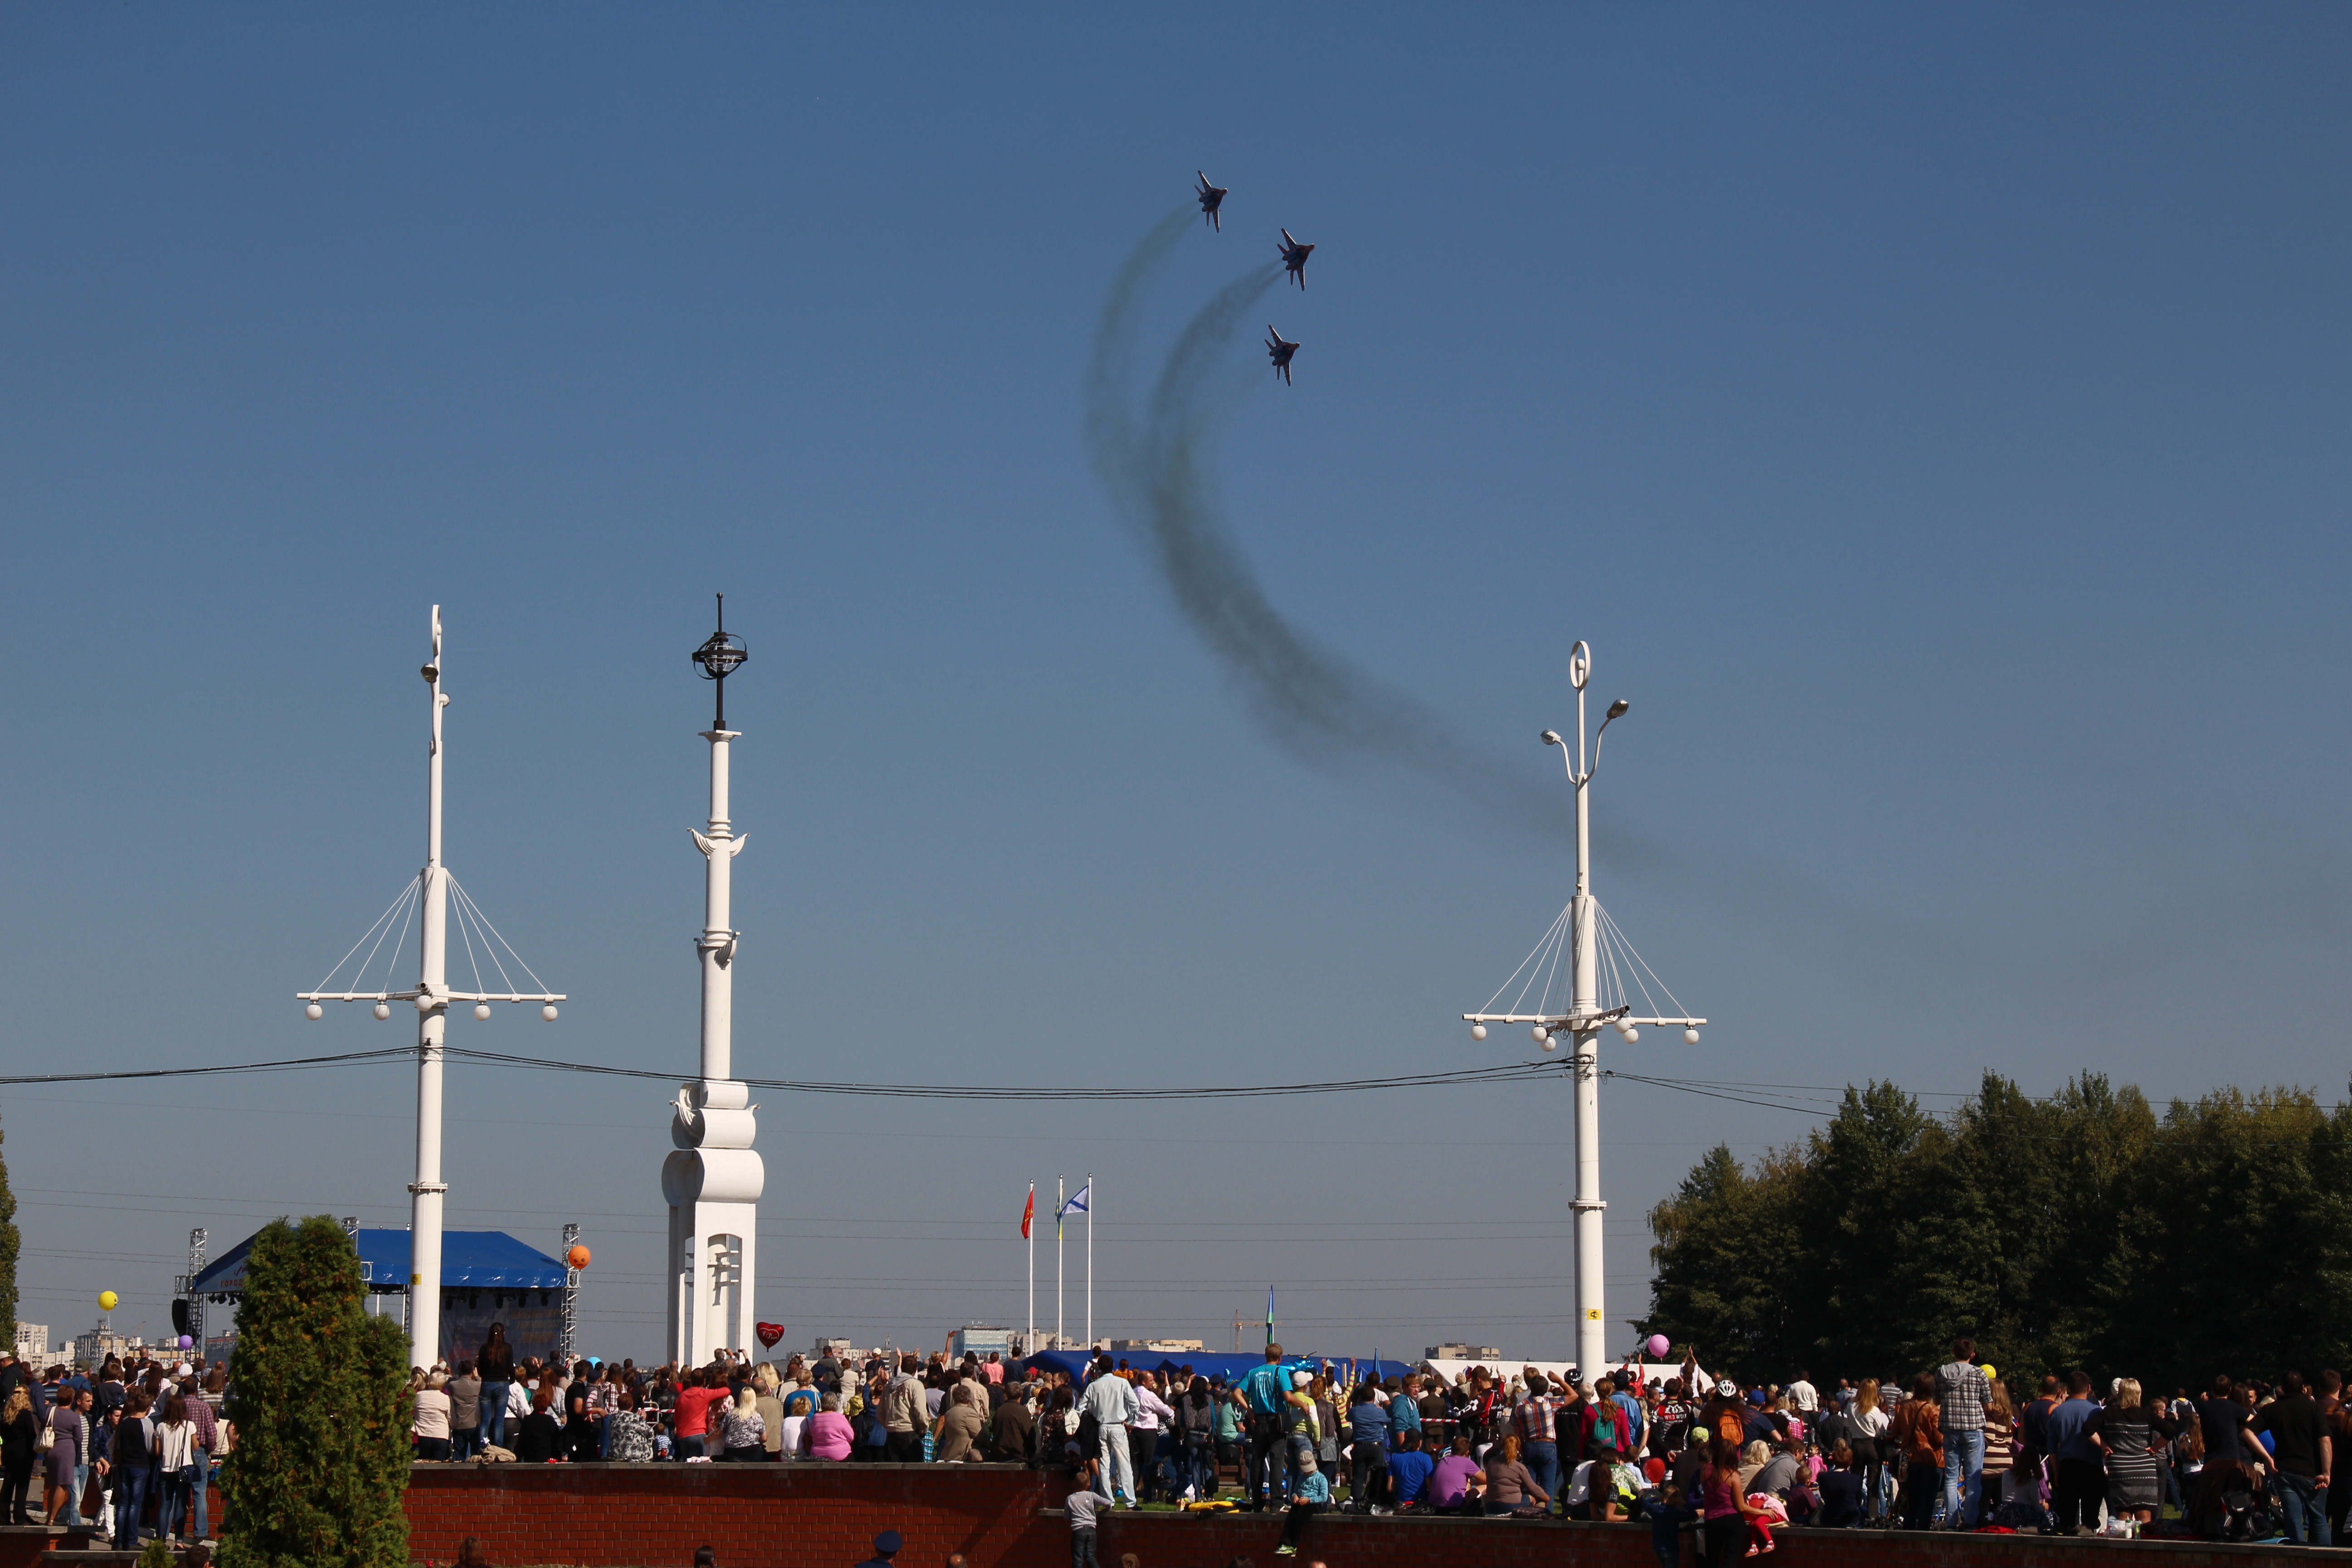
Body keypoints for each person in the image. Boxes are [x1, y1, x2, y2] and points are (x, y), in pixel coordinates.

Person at [2251, 1370, 2332, 1546]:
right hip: (2311, 1472)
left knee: (2293, 1518)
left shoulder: (2271, 1409)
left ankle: (2296, 1557)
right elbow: (2325, 1441)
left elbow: (2248, 1432)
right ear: (2303, 1389)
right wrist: (2326, 1472)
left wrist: (2267, 1457)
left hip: (2284, 1470)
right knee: (2318, 1519)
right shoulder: (2313, 1408)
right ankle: (2325, 1558)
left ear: (2282, 1389)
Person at [2089, 1377, 2174, 1535]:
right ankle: (2145, 1550)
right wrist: (2155, 1447)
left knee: (2123, 1515)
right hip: (2144, 1469)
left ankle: (2124, 1548)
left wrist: (2104, 1445)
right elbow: (2169, 1430)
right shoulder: (2147, 1414)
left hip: (2120, 1469)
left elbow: (2087, 1428)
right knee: (2145, 1516)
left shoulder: (2109, 1413)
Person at [1934, 1338, 1990, 1530]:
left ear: (1953, 1352)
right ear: (1973, 1355)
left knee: (1951, 1477)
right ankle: (1970, 1521)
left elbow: (1936, 1398)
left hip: (1950, 1428)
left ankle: (1950, 1522)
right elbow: (1988, 1403)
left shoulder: (1941, 1373)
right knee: (1974, 1477)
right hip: (1973, 1427)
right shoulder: (1978, 1373)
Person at [2043, 1370, 2103, 1535]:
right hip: (2092, 1466)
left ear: (2067, 1389)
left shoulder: (2057, 1412)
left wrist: (2056, 1470)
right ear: (2089, 1388)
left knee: (2067, 1517)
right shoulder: (2096, 1412)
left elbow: (2052, 1446)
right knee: (2090, 1517)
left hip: (2067, 1466)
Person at [1081, 1357, 1140, 1506]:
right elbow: (1135, 1404)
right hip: (1118, 1426)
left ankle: (1108, 1500)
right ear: (1113, 1366)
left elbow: (1081, 1407)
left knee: (1104, 1465)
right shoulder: (1122, 1383)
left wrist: (1091, 1416)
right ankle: (1130, 1502)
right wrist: (1131, 1423)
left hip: (1101, 1426)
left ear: (1099, 1368)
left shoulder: (1094, 1386)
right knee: (1124, 1464)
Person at [1237, 1345, 1289, 1511]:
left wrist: (1250, 1410)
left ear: (1265, 1356)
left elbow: (1237, 1393)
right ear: (1280, 1358)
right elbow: (1287, 1396)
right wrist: (1302, 1404)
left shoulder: (1253, 1373)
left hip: (1258, 1420)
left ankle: (1257, 1501)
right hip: (1276, 1420)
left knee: (1258, 1462)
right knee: (1276, 1461)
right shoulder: (1280, 1372)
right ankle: (1276, 1502)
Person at [1890, 1374, 1944, 1530]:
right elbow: (1939, 1439)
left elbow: (1895, 1431)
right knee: (1927, 1502)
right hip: (1931, 1459)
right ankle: (1923, 1534)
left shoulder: (1903, 1406)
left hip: (1909, 1459)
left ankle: (1908, 1533)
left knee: (1910, 1500)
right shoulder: (1933, 1410)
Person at [109, 1392, 153, 1549]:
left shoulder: (125, 1422)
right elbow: (149, 1447)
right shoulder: (147, 1423)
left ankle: (119, 1540)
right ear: (148, 1408)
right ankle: (132, 1540)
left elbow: (117, 1444)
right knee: (135, 1504)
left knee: (123, 1504)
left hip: (125, 1465)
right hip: (140, 1465)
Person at [42, 1377, 84, 1529]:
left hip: (50, 1449)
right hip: (66, 1451)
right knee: (62, 1486)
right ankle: (53, 1519)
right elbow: (79, 1438)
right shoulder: (74, 1417)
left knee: (53, 1484)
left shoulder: (50, 1411)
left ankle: (48, 1516)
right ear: (72, 1400)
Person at [1275, 1447, 1329, 1557]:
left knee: (1300, 1519)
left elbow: (1324, 1497)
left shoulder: (1321, 1478)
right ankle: (1285, 1544)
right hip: (1300, 1502)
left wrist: (1309, 1500)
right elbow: (1295, 1491)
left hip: (1313, 1504)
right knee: (1290, 1518)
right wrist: (1295, 1496)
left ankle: (1294, 1545)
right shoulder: (1301, 1478)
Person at [1344, 1380, 1388, 1511]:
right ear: (1374, 1398)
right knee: (1377, 1476)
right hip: (1376, 1446)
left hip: (1360, 1446)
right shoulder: (1379, 1412)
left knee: (1358, 1476)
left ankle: (1356, 1502)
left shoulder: (1355, 1411)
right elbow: (1388, 1420)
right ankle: (1374, 1500)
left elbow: (1348, 1418)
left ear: (1361, 1397)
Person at [1482, 1433, 1549, 1518]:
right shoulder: (1519, 1467)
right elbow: (1532, 1488)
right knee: (1535, 1498)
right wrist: (1547, 1498)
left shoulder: (1491, 1463)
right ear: (1518, 1447)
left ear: (1502, 1446)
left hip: (1491, 1506)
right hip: (1510, 1506)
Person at [476, 1325, 516, 1453]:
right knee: (499, 1420)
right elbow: (511, 1367)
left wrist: (485, 1377)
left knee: (485, 1420)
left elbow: (480, 1368)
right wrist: (512, 1380)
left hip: (487, 1383)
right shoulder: (507, 1348)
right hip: (502, 1383)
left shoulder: (484, 1348)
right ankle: (498, 1448)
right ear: (503, 1333)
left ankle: (483, 1446)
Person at [0, 1387, 36, 1525]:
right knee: (22, 1485)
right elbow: (31, 1434)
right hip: (24, 1452)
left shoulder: (6, 1415)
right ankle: (20, 1516)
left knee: (8, 1484)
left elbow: (3, 1434)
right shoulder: (25, 1414)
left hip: (9, 1451)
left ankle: (3, 1516)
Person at [1429, 1430, 1483, 1514]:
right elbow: (1488, 1480)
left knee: (1467, 1482)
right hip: (1454, 1507)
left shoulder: (1444, 1461)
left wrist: (1470, 1481)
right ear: (1467, 1452)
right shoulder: (1466, 1462)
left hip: (1436, 1507)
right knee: (1486, 1486)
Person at [510, 1387, 564, 1464]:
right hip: (547, 1458)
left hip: (530, 1457)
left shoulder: (528, 1420)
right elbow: (557, 1441)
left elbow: (522, 1441)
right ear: (546, 1406)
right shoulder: (550, 1420)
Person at [1816, 1442, 1864, 1528]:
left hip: (1829, 1519)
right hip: (1851, 1520)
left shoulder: (1823, 1477)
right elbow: (1858, 1500)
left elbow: (1824, 1496)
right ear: (1851, 1462)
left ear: (1833, 1460)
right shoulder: (1856, 1479)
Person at [1386, 1428, 1435, 1512]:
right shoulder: (1426, 1458)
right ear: (1420, 1442)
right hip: (1421, 1504)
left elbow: (1390, 1488)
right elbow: (1430, 1488)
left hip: (1402, 1504)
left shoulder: (1395, 1457)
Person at [1067, 1459, 1104, 1568]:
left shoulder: (1070, 1498)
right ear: (1088, 1484)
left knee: (1078, 1559)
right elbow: (1107, 1502)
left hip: (1078, 1530)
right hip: (1092, 1529)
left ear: (1074, 1484)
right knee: (1090, 1556)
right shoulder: (1092, 1495)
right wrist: (1107, 1506)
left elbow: (1067, 1516)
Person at [933, 1385, 984, 1463]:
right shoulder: (969, 1413)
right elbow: (980, 1436)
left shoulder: (949, 1413)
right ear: (969, 1399)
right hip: (964, 1456)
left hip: (949, 1455)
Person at [447, 1361, 483, 1462]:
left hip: (459, 1424)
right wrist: (477, 1377)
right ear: (473, 1371)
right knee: (475, 1453)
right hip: (473, 1424)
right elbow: (482, 1384)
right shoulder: (477, 1385)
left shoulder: (453, 1385)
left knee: (459, 1454)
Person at [718, 1387, 765, 1461]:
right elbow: (764, 1438)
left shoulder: (731, 1414)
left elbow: (721, 1431)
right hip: (751, 1451)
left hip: (731, 1452)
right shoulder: (757, 1416)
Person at [414, 1372, 453, 1462]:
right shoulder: (446, 1398)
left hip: (423, 1434)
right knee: (438, 1466)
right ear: (443, 1385)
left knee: (423, 1464)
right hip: (440, 1435)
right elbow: (451, 1419)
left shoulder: (419, 1395)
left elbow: (415, 1413)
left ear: (429, 1383)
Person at [806, 1393, 855, 1462]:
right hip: (839, 1454)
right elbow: (851, 1437)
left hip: (818, 1454)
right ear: (835, 1404)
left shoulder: (815, 1418)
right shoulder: (840, 1417)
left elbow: (812, 1434)